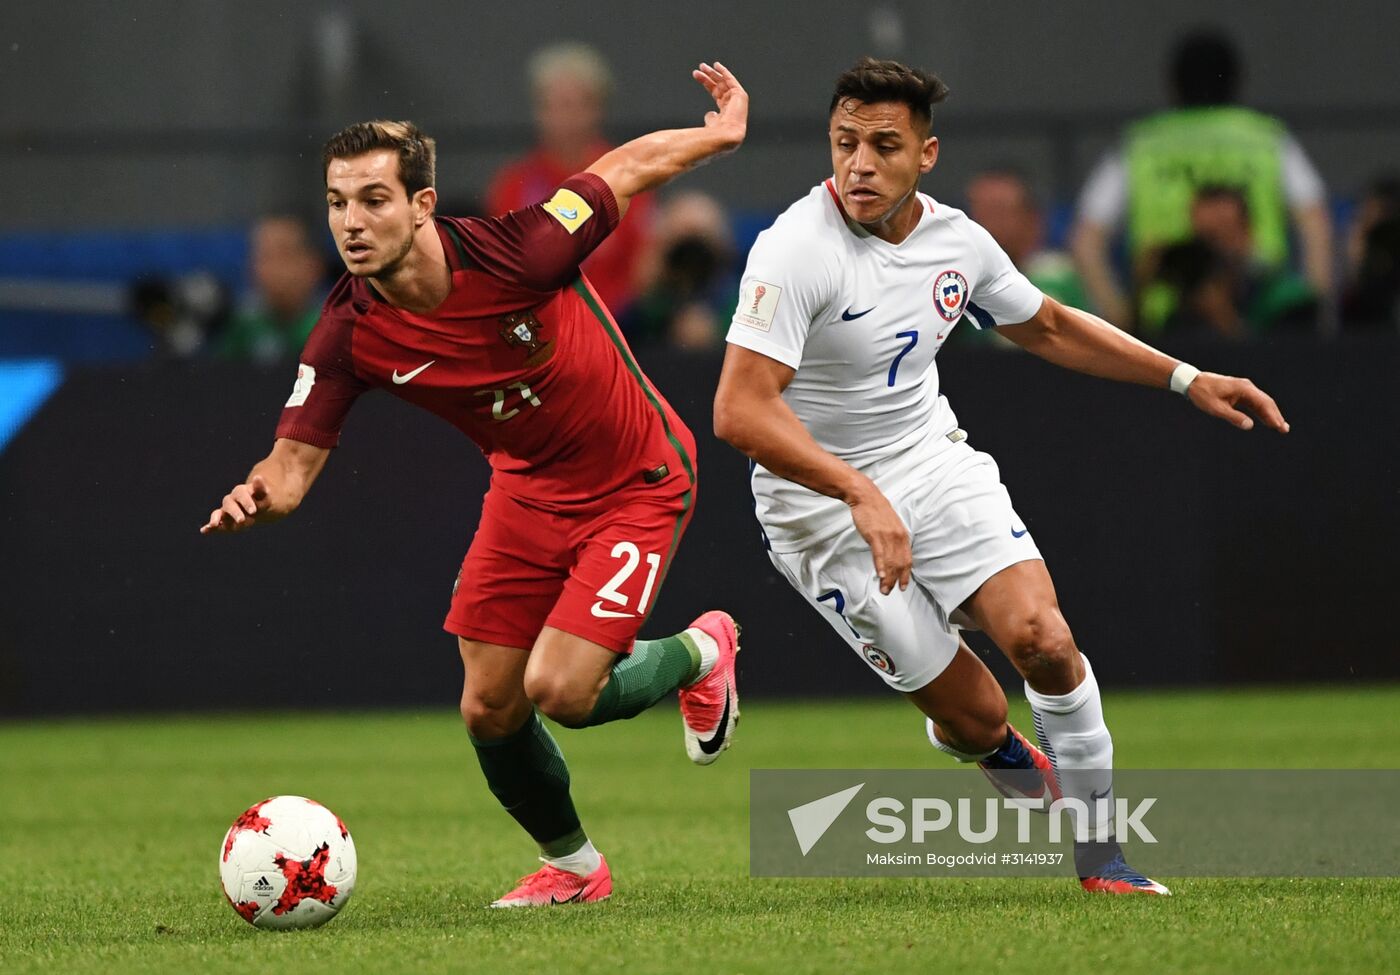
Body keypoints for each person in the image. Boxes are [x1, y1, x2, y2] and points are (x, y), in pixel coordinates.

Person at [713, 57, 1289, 896]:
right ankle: (987, 742)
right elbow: (739, 411)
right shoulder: (795, 249)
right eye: (845, 143)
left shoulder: (958, 242)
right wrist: (856, 491)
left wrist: (1184, 376)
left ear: (927, 155)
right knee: (979, 714)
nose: (860, 165)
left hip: (929, 462)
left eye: (884, 145)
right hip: (818, 509)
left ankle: (1104, 862)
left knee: (1045, 643)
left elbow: (1049, 324)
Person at [201, 62, 749, 908]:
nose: (352, 221)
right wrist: (259, 492)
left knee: (561, 690)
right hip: (526, 488)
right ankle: (573, 868)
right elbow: (293, 461)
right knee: (490, 706)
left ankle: (701, 652)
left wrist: (717, 135)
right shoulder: (348, 329)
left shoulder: (522, 248)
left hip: (635, 477)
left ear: (421, 205)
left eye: (374, 200)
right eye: (339, 202)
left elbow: (624, 170)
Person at [1070, 29, 1331, 329]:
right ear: (1237, 79)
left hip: (1168, 331)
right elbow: (1315, 222)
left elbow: (1086, 241)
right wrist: (1316, 311)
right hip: (1256, 325)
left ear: (1172, 84)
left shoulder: (1140, 145)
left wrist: (1119, 322)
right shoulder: (1267, 139)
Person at [485, 42, 653, 315]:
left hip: (620, 326)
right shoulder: (513, 183)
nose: (565, 118)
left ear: (597, 109)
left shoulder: (628, 174)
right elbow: (503, 273)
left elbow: (644, 269)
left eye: (575, 105)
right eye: (554, 106)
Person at [624, 191, 738, 350]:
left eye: (700, 248)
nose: (691, 261)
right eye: (681, 250)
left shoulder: (740, 311)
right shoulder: (642, 314)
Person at [965, 167, 1087, 311]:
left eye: (998, 211)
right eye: (979, 211)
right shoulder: (966, 273)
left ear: (1032, 217)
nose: (985, 223)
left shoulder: (1051, 275)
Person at [217, 215, 329, 363]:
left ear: (314, 265)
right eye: (264, 255)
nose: (272, 268)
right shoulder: (240, 326)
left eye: (284, 255)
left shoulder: (337, 331)